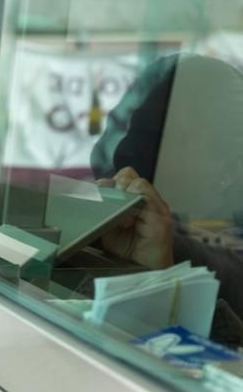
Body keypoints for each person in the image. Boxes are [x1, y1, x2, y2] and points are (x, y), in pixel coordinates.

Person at [91, 53, 243, 344]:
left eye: (174, 135)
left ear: (228, 169)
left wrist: (161, 275)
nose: (137, 148)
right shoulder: (113, 222)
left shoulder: (217, 262)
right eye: (141, 128)